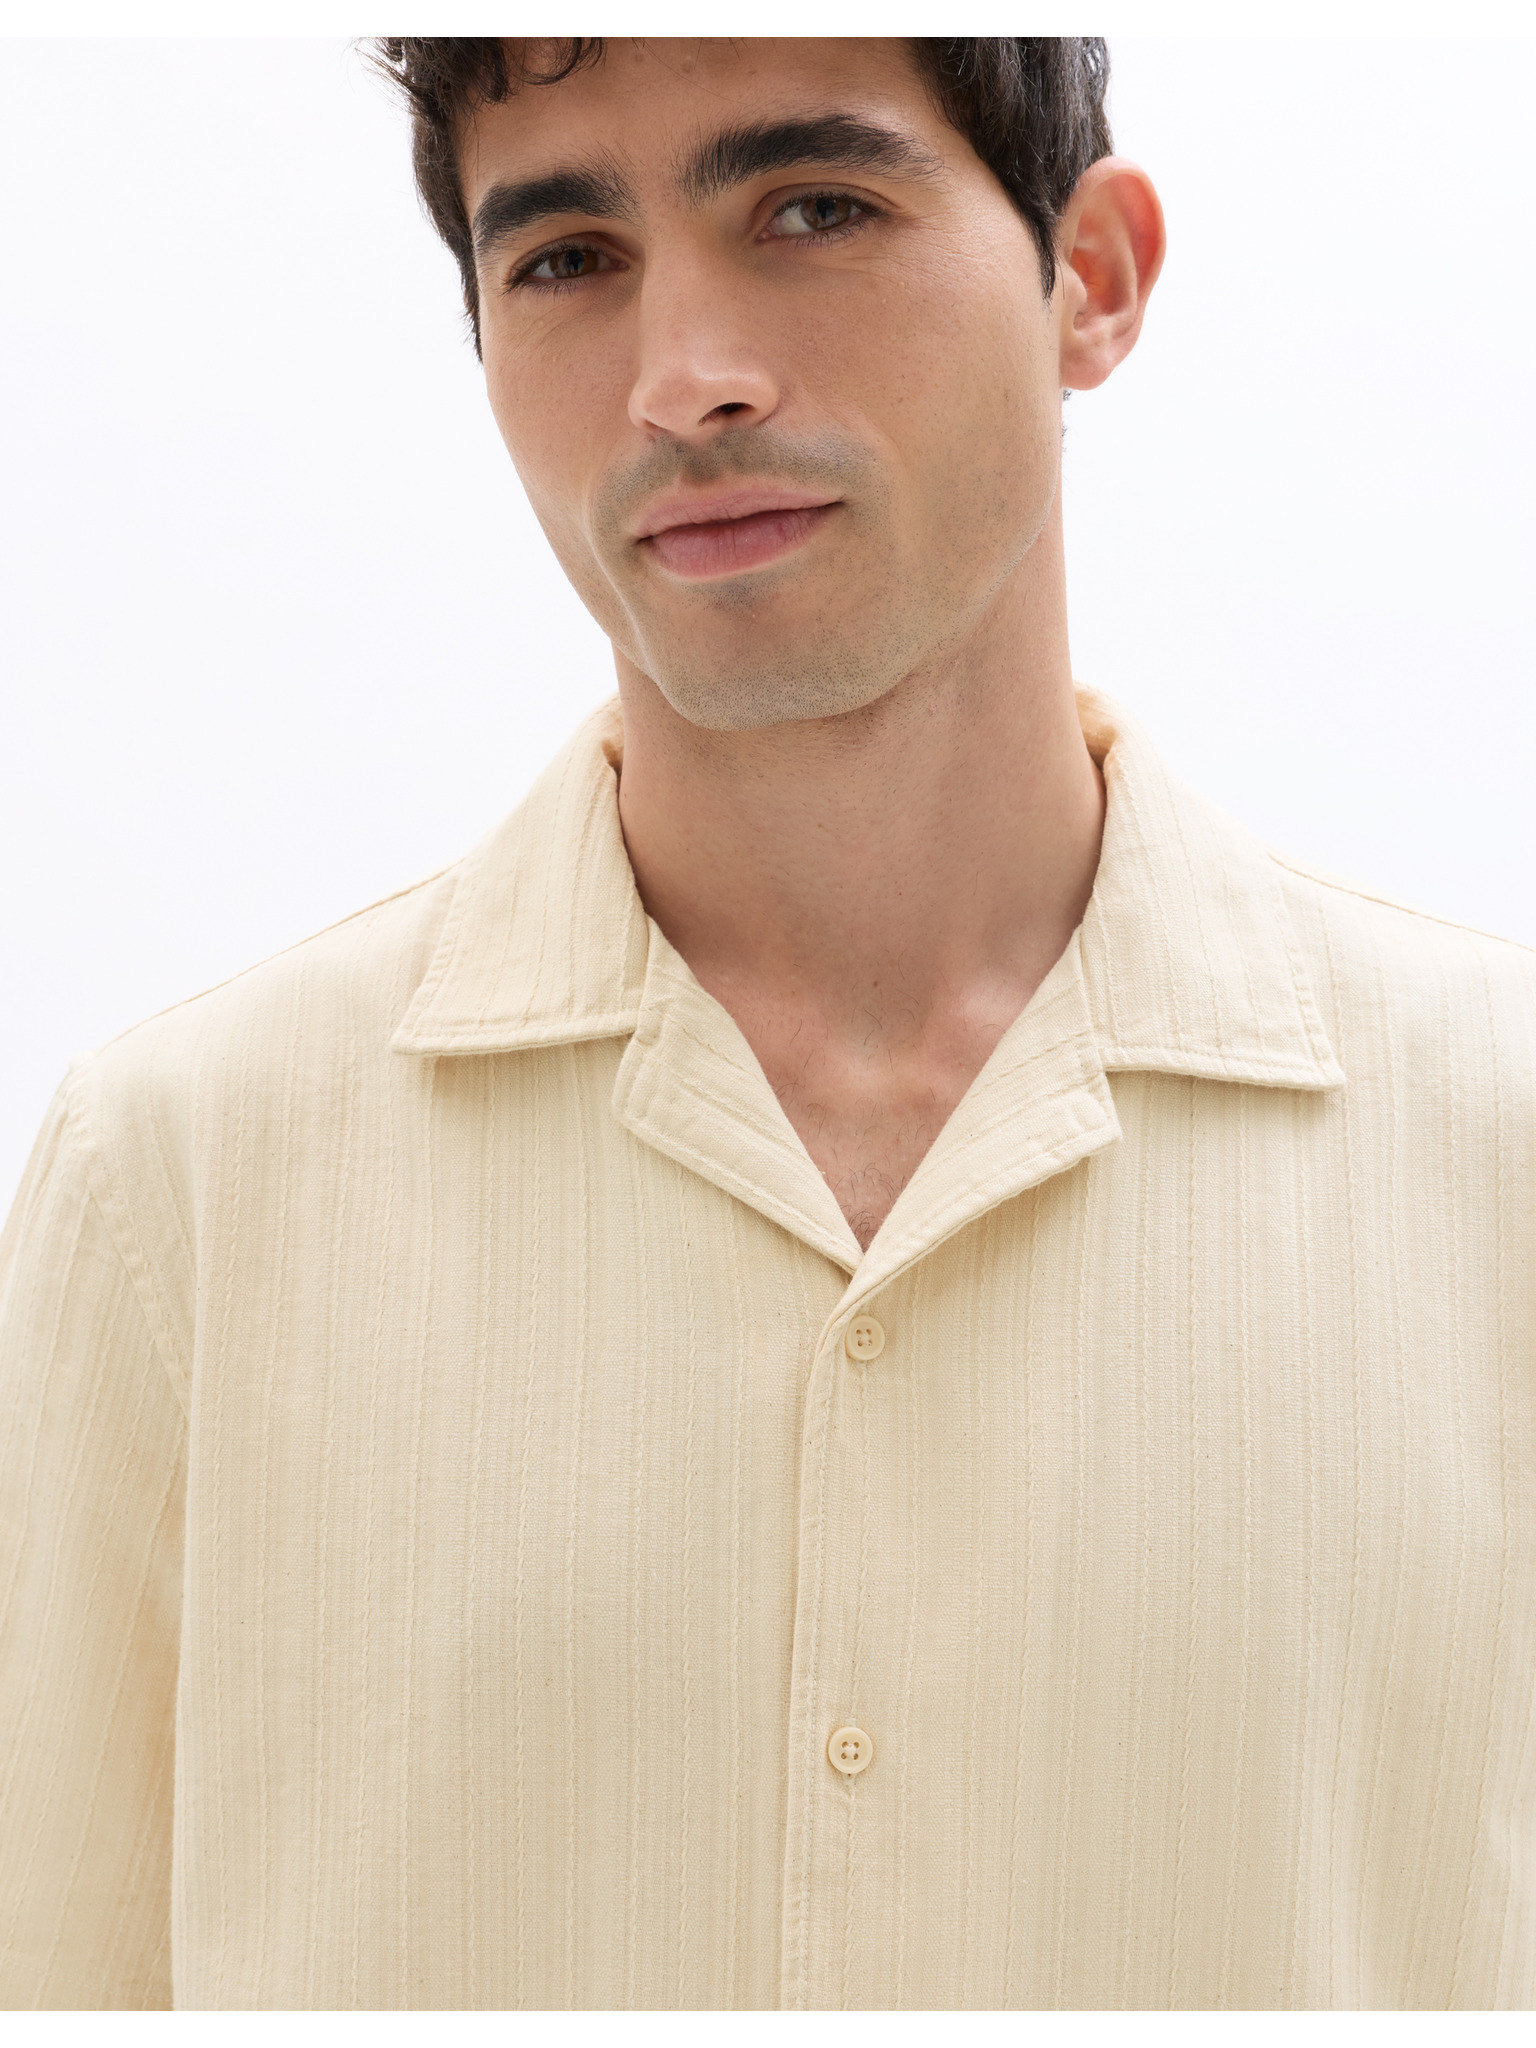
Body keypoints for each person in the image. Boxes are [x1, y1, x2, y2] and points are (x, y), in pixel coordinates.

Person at [1, 34, 1531, 2014]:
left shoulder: (1496, 1163)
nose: (684, 378)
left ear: (1091, 277)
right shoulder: (177, 1193)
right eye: (566, 258)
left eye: (814, 208)